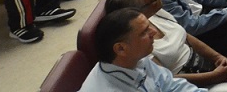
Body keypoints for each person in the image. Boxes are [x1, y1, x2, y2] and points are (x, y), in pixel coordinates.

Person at [105, 0, 227, 92]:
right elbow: (164, 79)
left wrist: (217, 57)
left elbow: (185, 35)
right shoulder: (136, 40)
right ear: (137, 9)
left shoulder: (156, 13)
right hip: (186, 79)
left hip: (202, 64)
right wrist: (213, 76)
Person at [78, 7, 211, 92]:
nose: (154, 32)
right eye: (144, 32)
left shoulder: (137, 60)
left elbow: (171, 85)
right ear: (121, 49)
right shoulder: (104, 88)